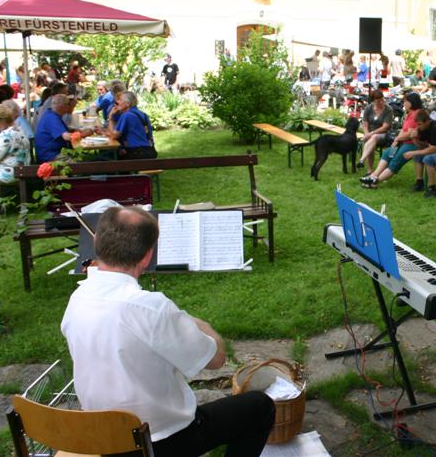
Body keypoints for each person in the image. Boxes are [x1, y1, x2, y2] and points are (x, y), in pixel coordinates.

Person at [61, 207, 275, 456]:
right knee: (259, 407)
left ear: (95, 241)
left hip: (103, 435)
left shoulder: (78, 298)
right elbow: (216, 360)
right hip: (158, 442)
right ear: (147, 256)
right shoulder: (152, 308)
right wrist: (199, 324)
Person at [359, 92, 423, 189]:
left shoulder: (417, 115)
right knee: (387, 153)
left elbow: (409, 135)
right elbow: (403, 130)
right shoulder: (409, 114)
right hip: (403, 142)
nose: (404, 103)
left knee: (395, 161)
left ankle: (375, 181)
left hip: (413, 144)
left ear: (411, 103)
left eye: (405, 101)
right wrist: (396, 141)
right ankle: (373, 175)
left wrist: (397, 138)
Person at [34, 94, 94, 162]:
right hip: (50, 156)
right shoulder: (52, 118)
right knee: (84, 164)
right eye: (68, 104)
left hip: (52, 152)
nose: (69, 106)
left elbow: (63, 129)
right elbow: (67, 137)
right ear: (62, 106)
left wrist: (77, 130)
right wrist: (85, 134)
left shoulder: (50, 114)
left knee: (86, 159)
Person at [105, 91, 158, 159]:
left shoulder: (126, 115)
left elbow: (113, 136)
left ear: (127, 104)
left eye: (120, 99)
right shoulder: (143, 114)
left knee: (107, 159)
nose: (117, 102)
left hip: (136, 154)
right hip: (149, 152)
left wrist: (110, 117)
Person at [357, 90, 394, 173]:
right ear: (373, 100)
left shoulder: (388, 109)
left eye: (382, 100)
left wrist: (371, 133)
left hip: (384, 135)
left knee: (373, 137)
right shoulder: (368, 108)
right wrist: (367, 134)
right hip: (370, 135)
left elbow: (385, 127)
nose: (381, 102)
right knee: (371, 140)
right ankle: (369, 170)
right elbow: (365, 124)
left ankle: (362, 159)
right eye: (378, 101)